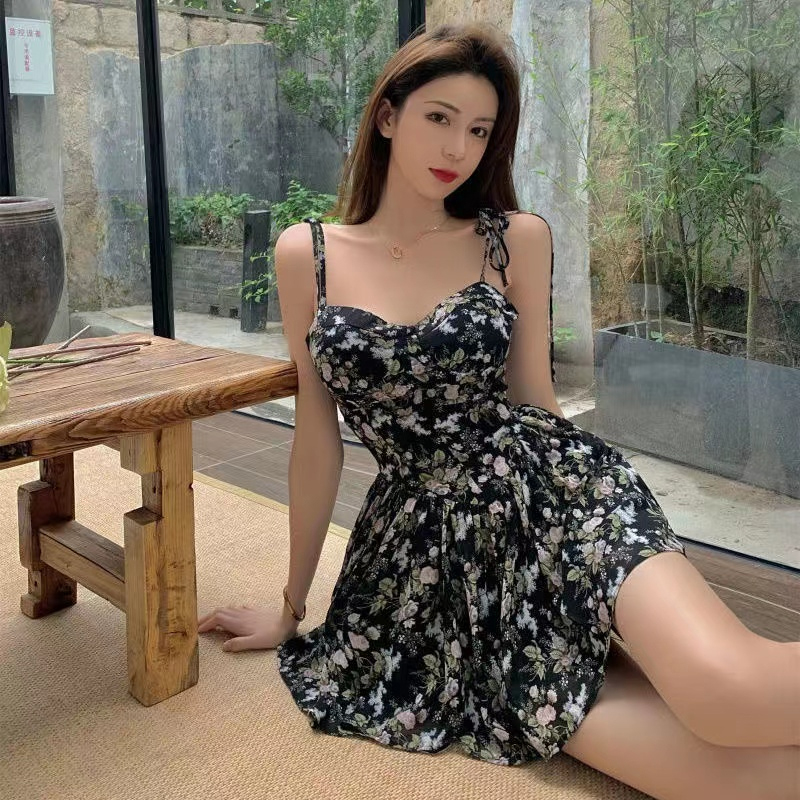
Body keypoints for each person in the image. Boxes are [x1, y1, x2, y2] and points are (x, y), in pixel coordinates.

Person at [198, 22, 800, 800]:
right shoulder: (304, 254)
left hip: (558, 498)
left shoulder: (514, 238)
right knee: (749, 780)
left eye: (480, 130)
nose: (459, 147)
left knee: (729, 694)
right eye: (439, 117)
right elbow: (318, 440)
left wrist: (572, 552)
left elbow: (536, 405)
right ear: (388, 116)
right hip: (430, 564)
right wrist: (289, 606)